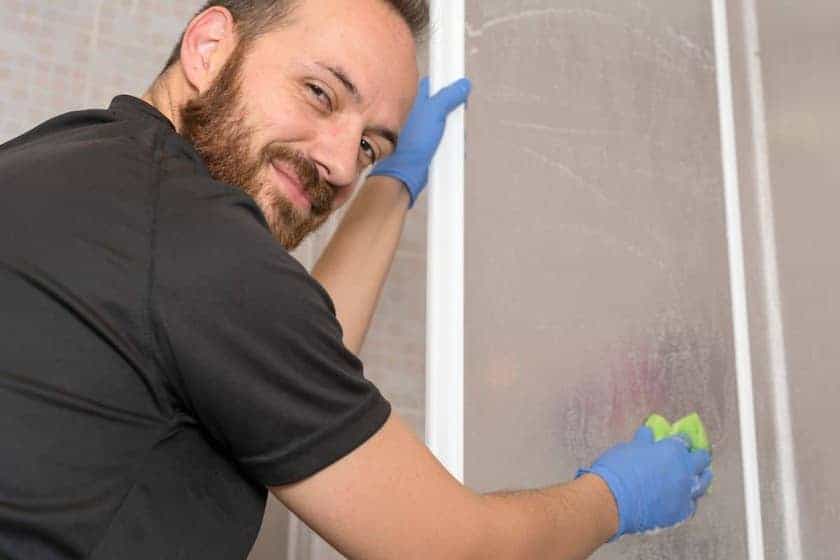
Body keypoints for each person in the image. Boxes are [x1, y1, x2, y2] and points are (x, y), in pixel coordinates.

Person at [0, 0, 712, 558]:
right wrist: (616, 498)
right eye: (320, 93)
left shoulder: (72, 156)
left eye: (370, 144)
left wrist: (392, 185)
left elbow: (276, 370)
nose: (344, 165)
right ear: (209, 46)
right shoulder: (200, 242)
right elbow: (455, 549)